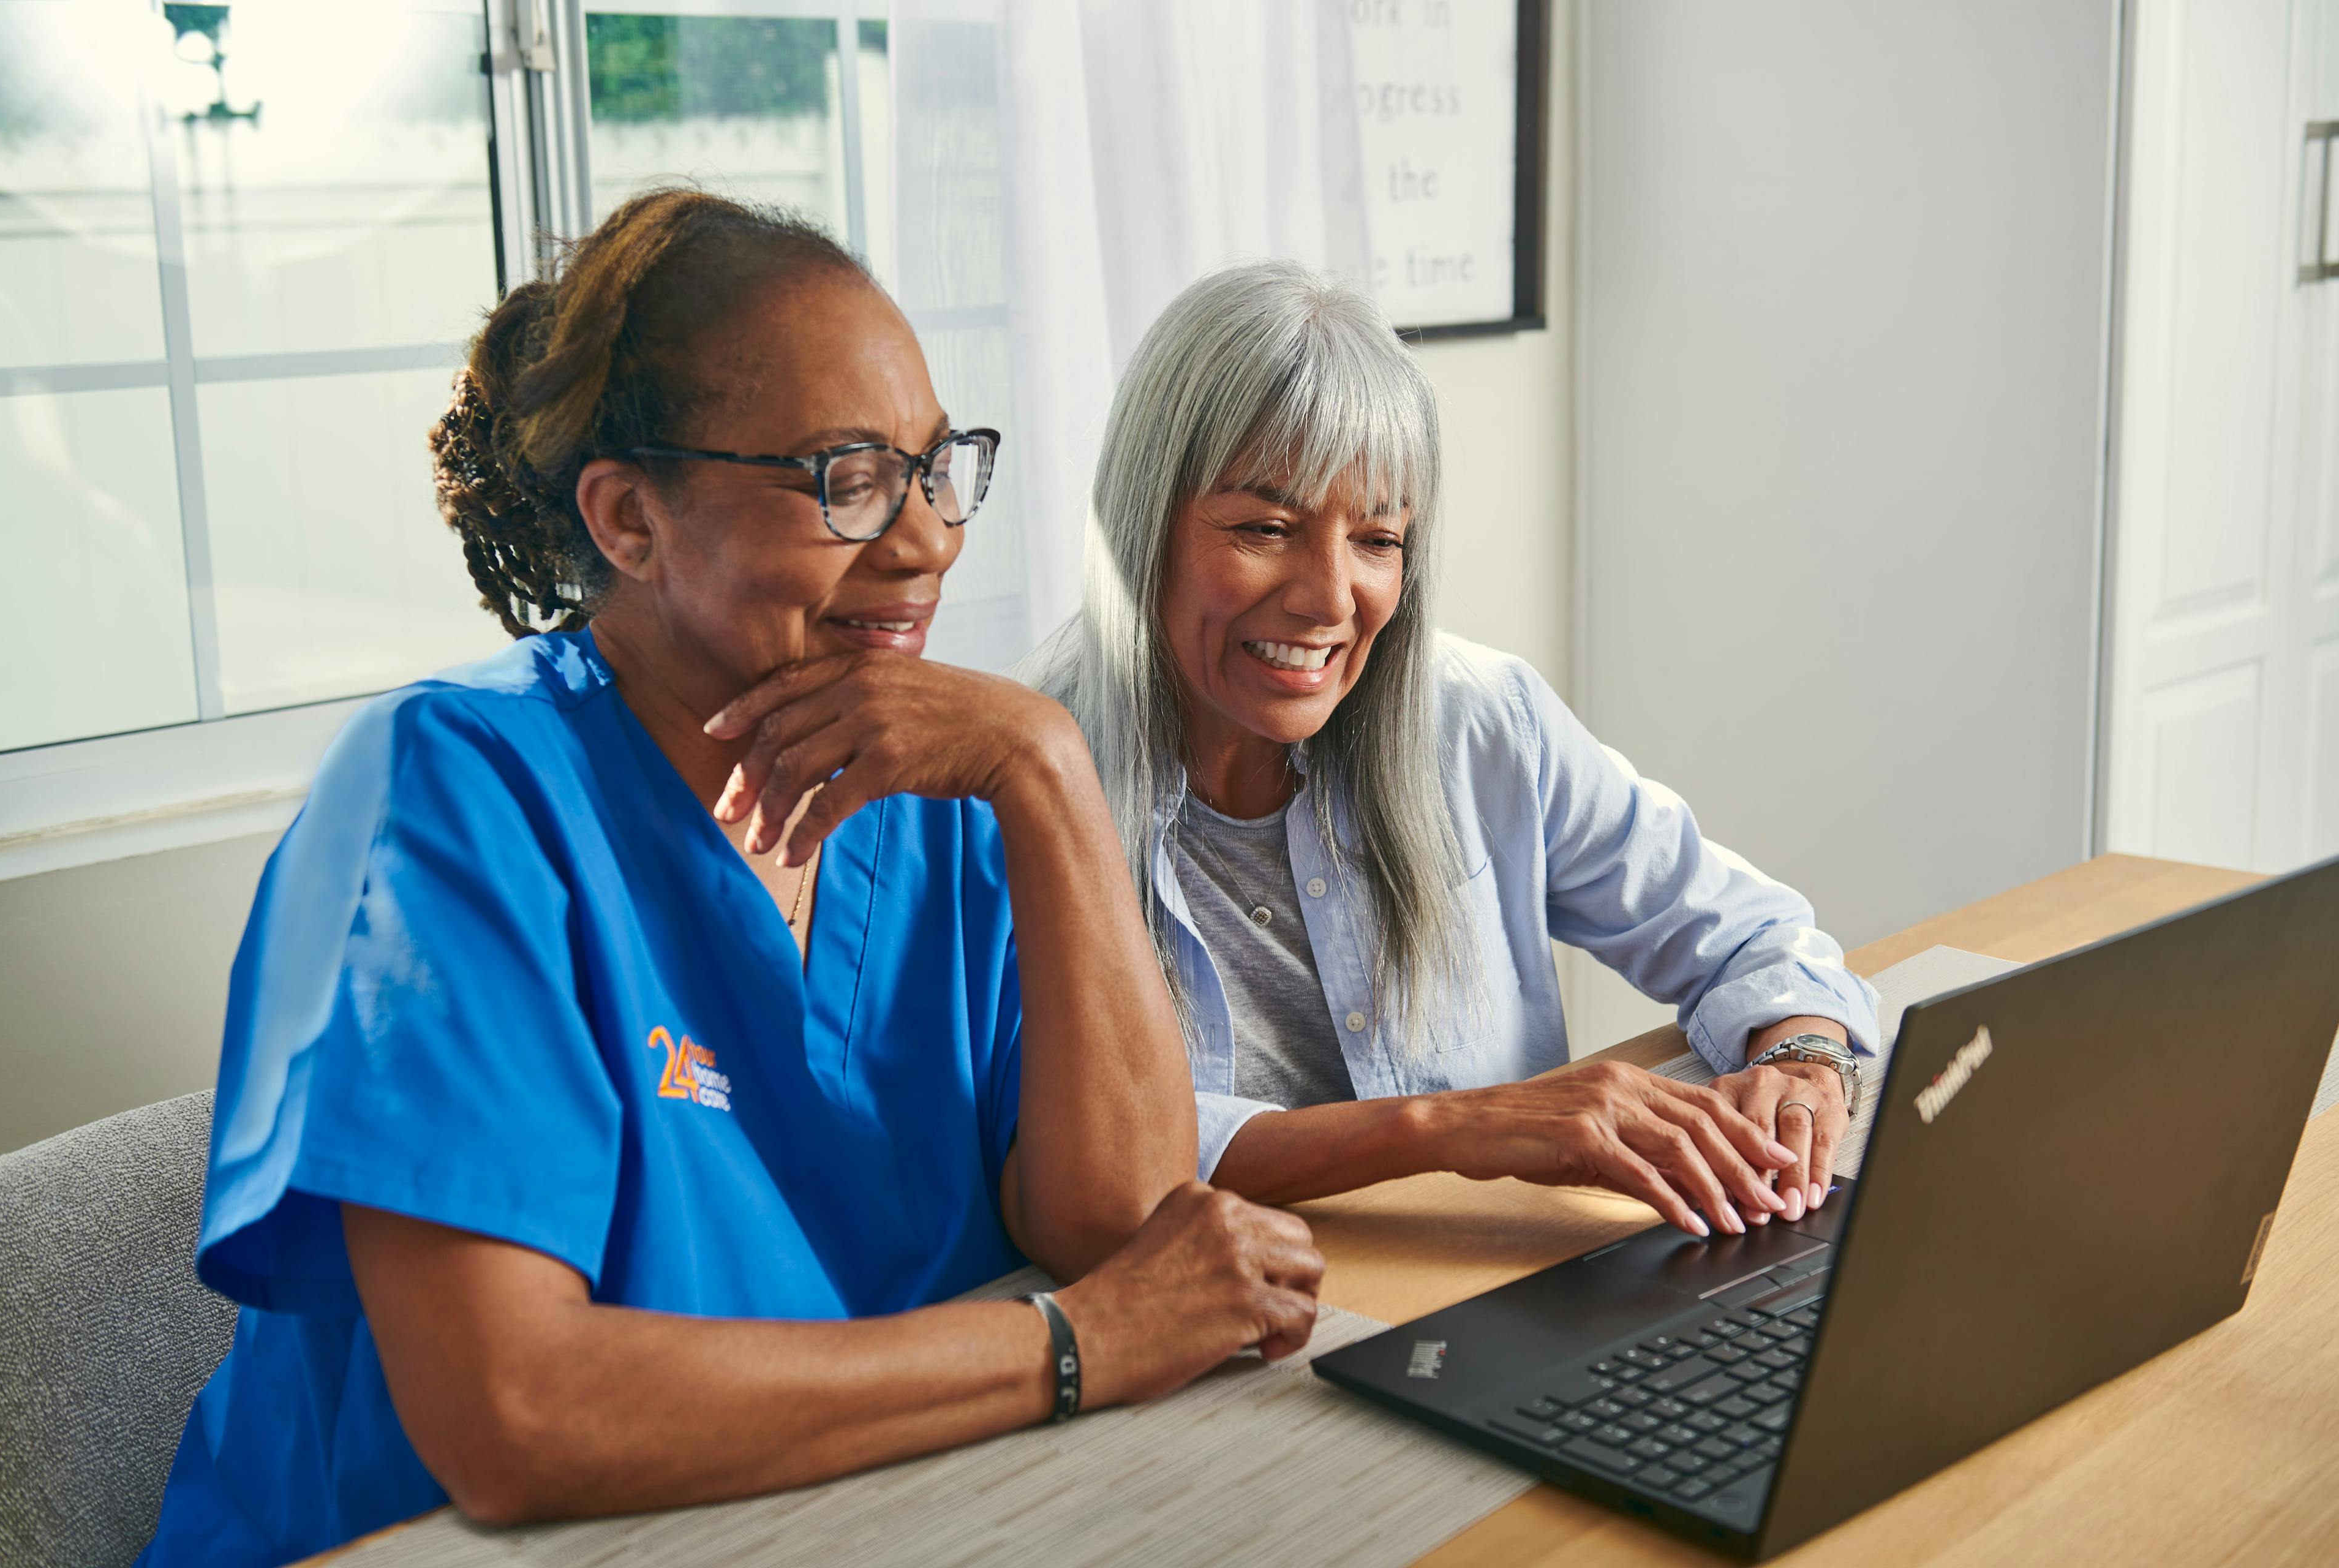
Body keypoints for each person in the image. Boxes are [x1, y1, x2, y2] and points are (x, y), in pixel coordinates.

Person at [138, 193, 1322, 1567]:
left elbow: (1125, 1226)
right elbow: (519, 1415)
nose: (929, 539)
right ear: (630, 519)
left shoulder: (943, 788)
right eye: (847, 479)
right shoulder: (444, 796)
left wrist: (1051, 772)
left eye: (938, 470)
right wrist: (1068, 1346)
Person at [1025, 260, 1881, 1233]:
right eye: (1265, 527)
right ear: (1144, 527)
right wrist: (1447, 1127)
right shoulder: (1019, 788)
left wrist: (1801, 1059)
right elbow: (1069, 1153)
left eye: (1379, 540)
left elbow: (1751, 934)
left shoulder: (1481, 721)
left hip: (1484, 1302)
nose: (1330, 597)